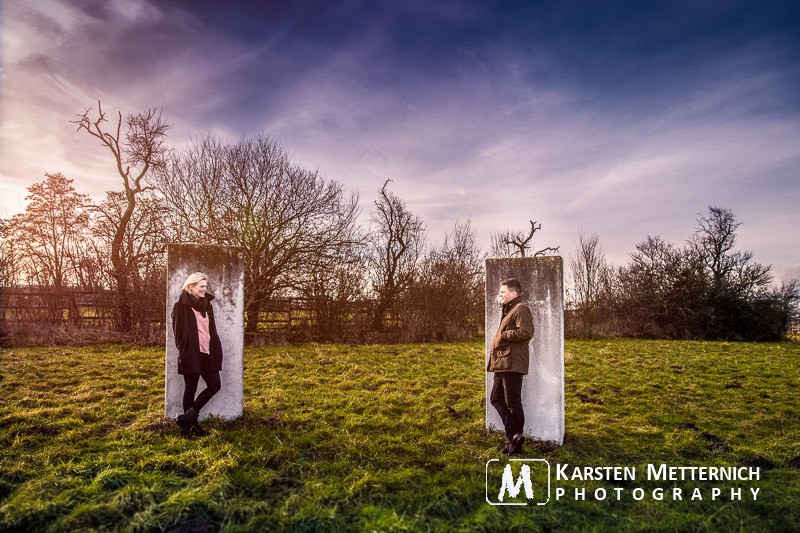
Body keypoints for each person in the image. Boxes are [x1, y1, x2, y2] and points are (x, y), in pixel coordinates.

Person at [171, 272, 223, 437]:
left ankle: (187, 418)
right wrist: (185, 350)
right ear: (191, 287)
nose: (204, 289)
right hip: (191, 354)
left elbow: (210, 330)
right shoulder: (180, 307)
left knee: (215, 385)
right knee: (190, 389)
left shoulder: (207, 305)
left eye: (205, 286)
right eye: (201, 286)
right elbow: (178, 334)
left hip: (208, 352)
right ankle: (189, 427)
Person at [487, 278, 534, 455]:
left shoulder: (521, 308)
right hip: (502, 362)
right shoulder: (509, 310)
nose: (500, 295)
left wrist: (505, 334)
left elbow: (526, 332)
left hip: (512, 363)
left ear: (513, 293)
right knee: (496, 399)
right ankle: (514, 436)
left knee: (513, 402)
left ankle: (516, 443)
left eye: (503, 292)